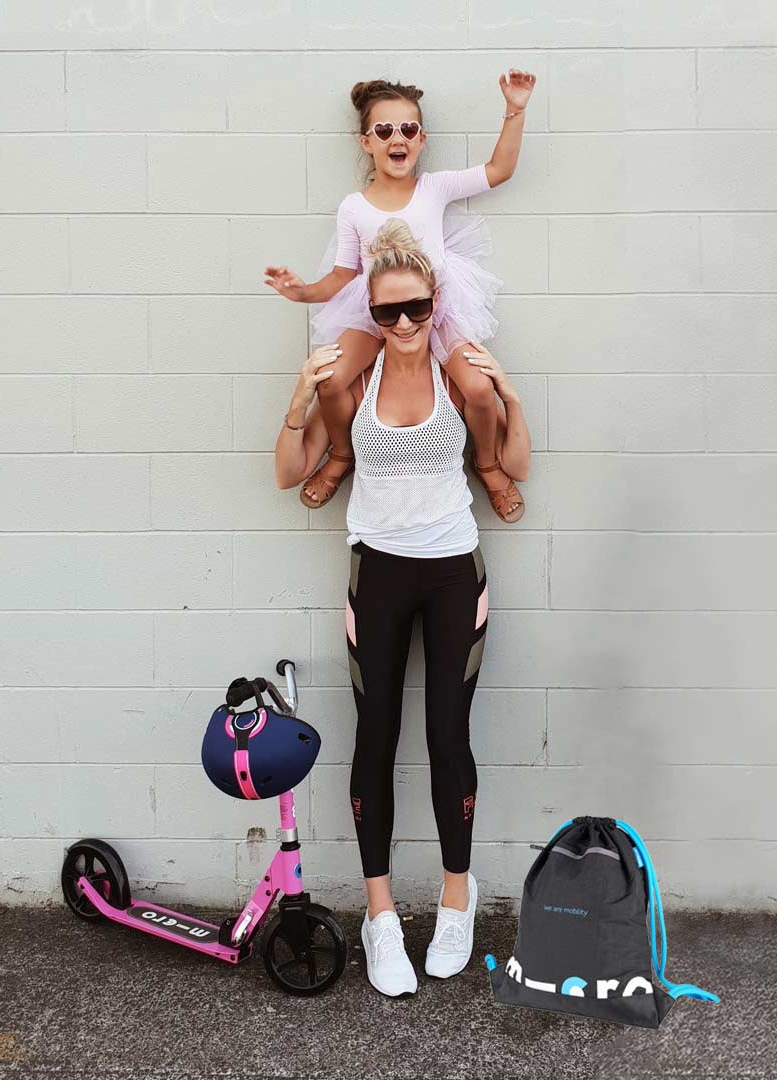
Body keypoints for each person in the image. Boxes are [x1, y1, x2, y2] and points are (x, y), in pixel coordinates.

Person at [274, 217, 531, 998]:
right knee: (375, 737)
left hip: (455, 573)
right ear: (371, 316)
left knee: (447, 737)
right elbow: (290, 472)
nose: (405, 324)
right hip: (377, 576)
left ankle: (458, 897)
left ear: (435, 299)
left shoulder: (463, 380)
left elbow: (514, 462)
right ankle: (381, 918)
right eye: (387, 313)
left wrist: (509, 392)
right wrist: (297, 399)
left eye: (416, 307)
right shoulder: (353, 386)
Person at [265, 73, 535, 522]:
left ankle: (486, 463)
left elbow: (498, 170)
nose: (398, 138)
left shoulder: (434, 188)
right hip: (376, 310)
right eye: (385, 130)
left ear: (421, 139)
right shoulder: (355, 206)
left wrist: (516, 110)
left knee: (479, 389)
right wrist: (303, 293)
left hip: (438, 308)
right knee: (331, 382)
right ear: (366, 141)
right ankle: (341, 453)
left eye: (408, 129)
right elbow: (343, 274)